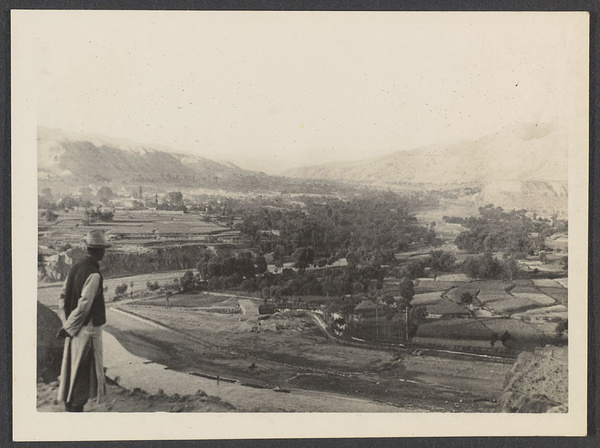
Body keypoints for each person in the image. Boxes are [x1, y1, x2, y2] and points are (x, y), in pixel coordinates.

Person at [56, 229, 111, 412]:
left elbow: (63, 296)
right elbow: (84, 305)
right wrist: (71, 326)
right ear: (98, 251)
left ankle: (70, 404)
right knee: (83, 369)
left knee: (72, 365)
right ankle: (75, 408)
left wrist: (67, 324)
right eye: (102, 249)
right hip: (87, 330)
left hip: (74, 328)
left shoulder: (74, 268)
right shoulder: (94, 274)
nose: (103, 252)